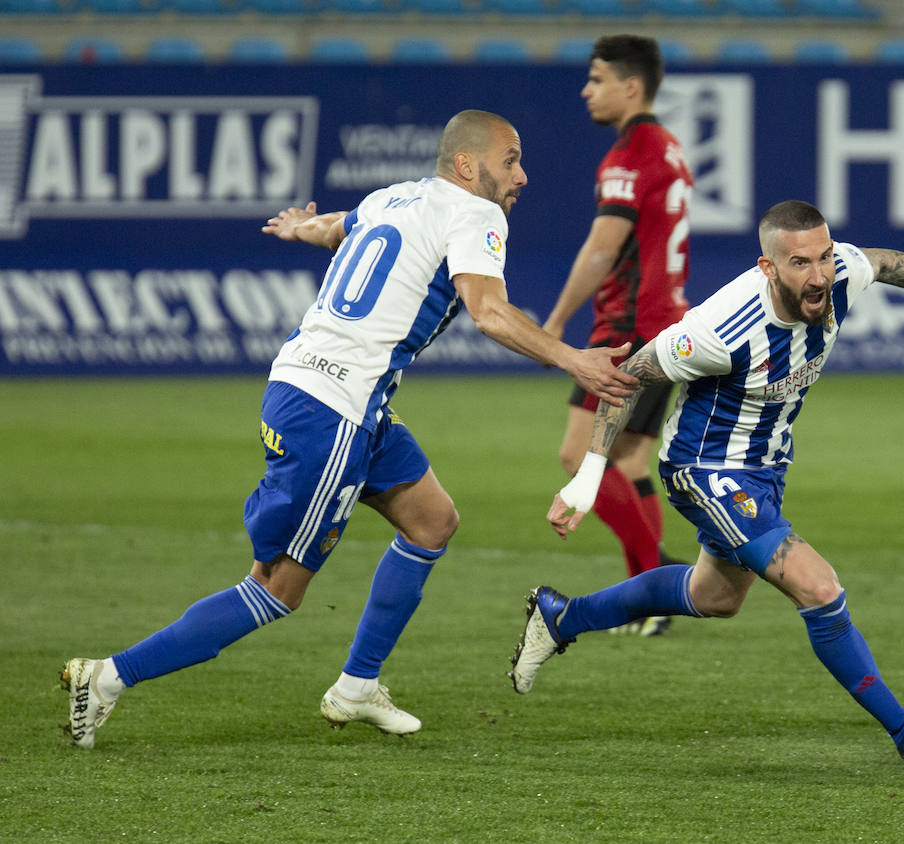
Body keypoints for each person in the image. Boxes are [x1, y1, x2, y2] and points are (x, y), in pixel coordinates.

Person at [59, 109, 638, 750]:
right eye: (510, 160)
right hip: (334, 411)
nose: (522, 175)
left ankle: (357, 687)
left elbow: (338, 227)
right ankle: (109, 676)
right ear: (468, 166)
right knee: (275, 589)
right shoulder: (477, 214)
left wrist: (300, 226)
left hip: (326, 396)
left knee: (432, 520)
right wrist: (574, 359)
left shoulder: (394, 196)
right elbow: (490, 311)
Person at [509, 200, 904, 769]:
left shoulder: (837, 275)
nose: (818, 275)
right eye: (799, 264)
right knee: (818, 586)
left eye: (824, 258)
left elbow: (886, 263)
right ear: (768, 269)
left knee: (713, 597)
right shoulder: (719, 330)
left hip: (766, 468)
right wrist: (590, 475)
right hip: (704, 469)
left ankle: (561, 617)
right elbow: (631, 375)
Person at [541, 35, 694, 634]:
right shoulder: (671, 148)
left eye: (597, 79)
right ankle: (652, 593)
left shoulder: (629, 157)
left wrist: (554, 326)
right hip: (669, 327)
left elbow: (603, 249)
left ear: (631, 86)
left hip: (631, 332)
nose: (586, 89)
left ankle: (653, 585)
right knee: (628, 461)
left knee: (579, 456)